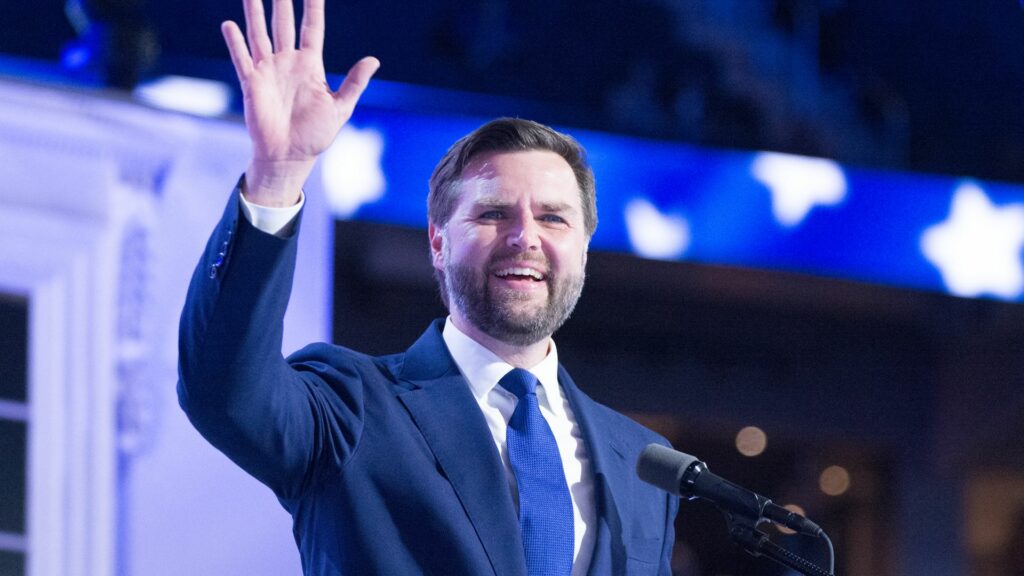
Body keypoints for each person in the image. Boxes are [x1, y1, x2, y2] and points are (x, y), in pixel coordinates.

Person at [177, 0, 678, 574]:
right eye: (493, 214)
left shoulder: (642, 462)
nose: (525, 237)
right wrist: (276, 176)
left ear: (584, 248)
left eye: (554, 218)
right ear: (438, 243)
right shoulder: (350, 407)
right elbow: (222, 392)